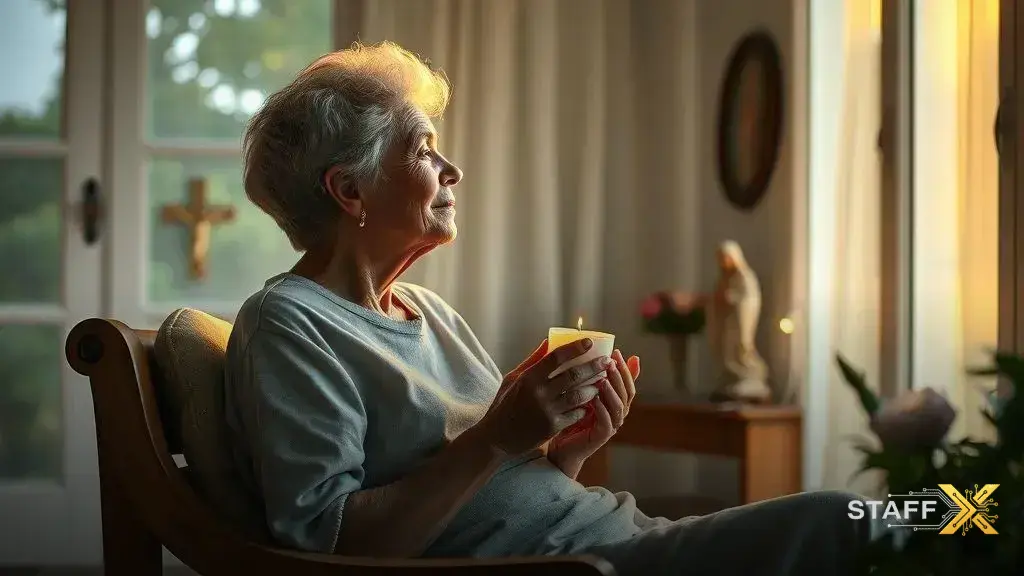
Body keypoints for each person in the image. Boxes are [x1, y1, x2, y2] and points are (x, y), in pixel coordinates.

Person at [224, 41, 869, 575]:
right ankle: (972, 514)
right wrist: (497, 436)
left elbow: (494, 490)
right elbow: (329, 547)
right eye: (422, 149)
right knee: (854, 521)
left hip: (617, 536)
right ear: (349, 188)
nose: (451, 170)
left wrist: (565, 452)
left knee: (899, 524)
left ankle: (974, 515)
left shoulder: (428, 311)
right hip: (583, 566)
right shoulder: (289, 324)